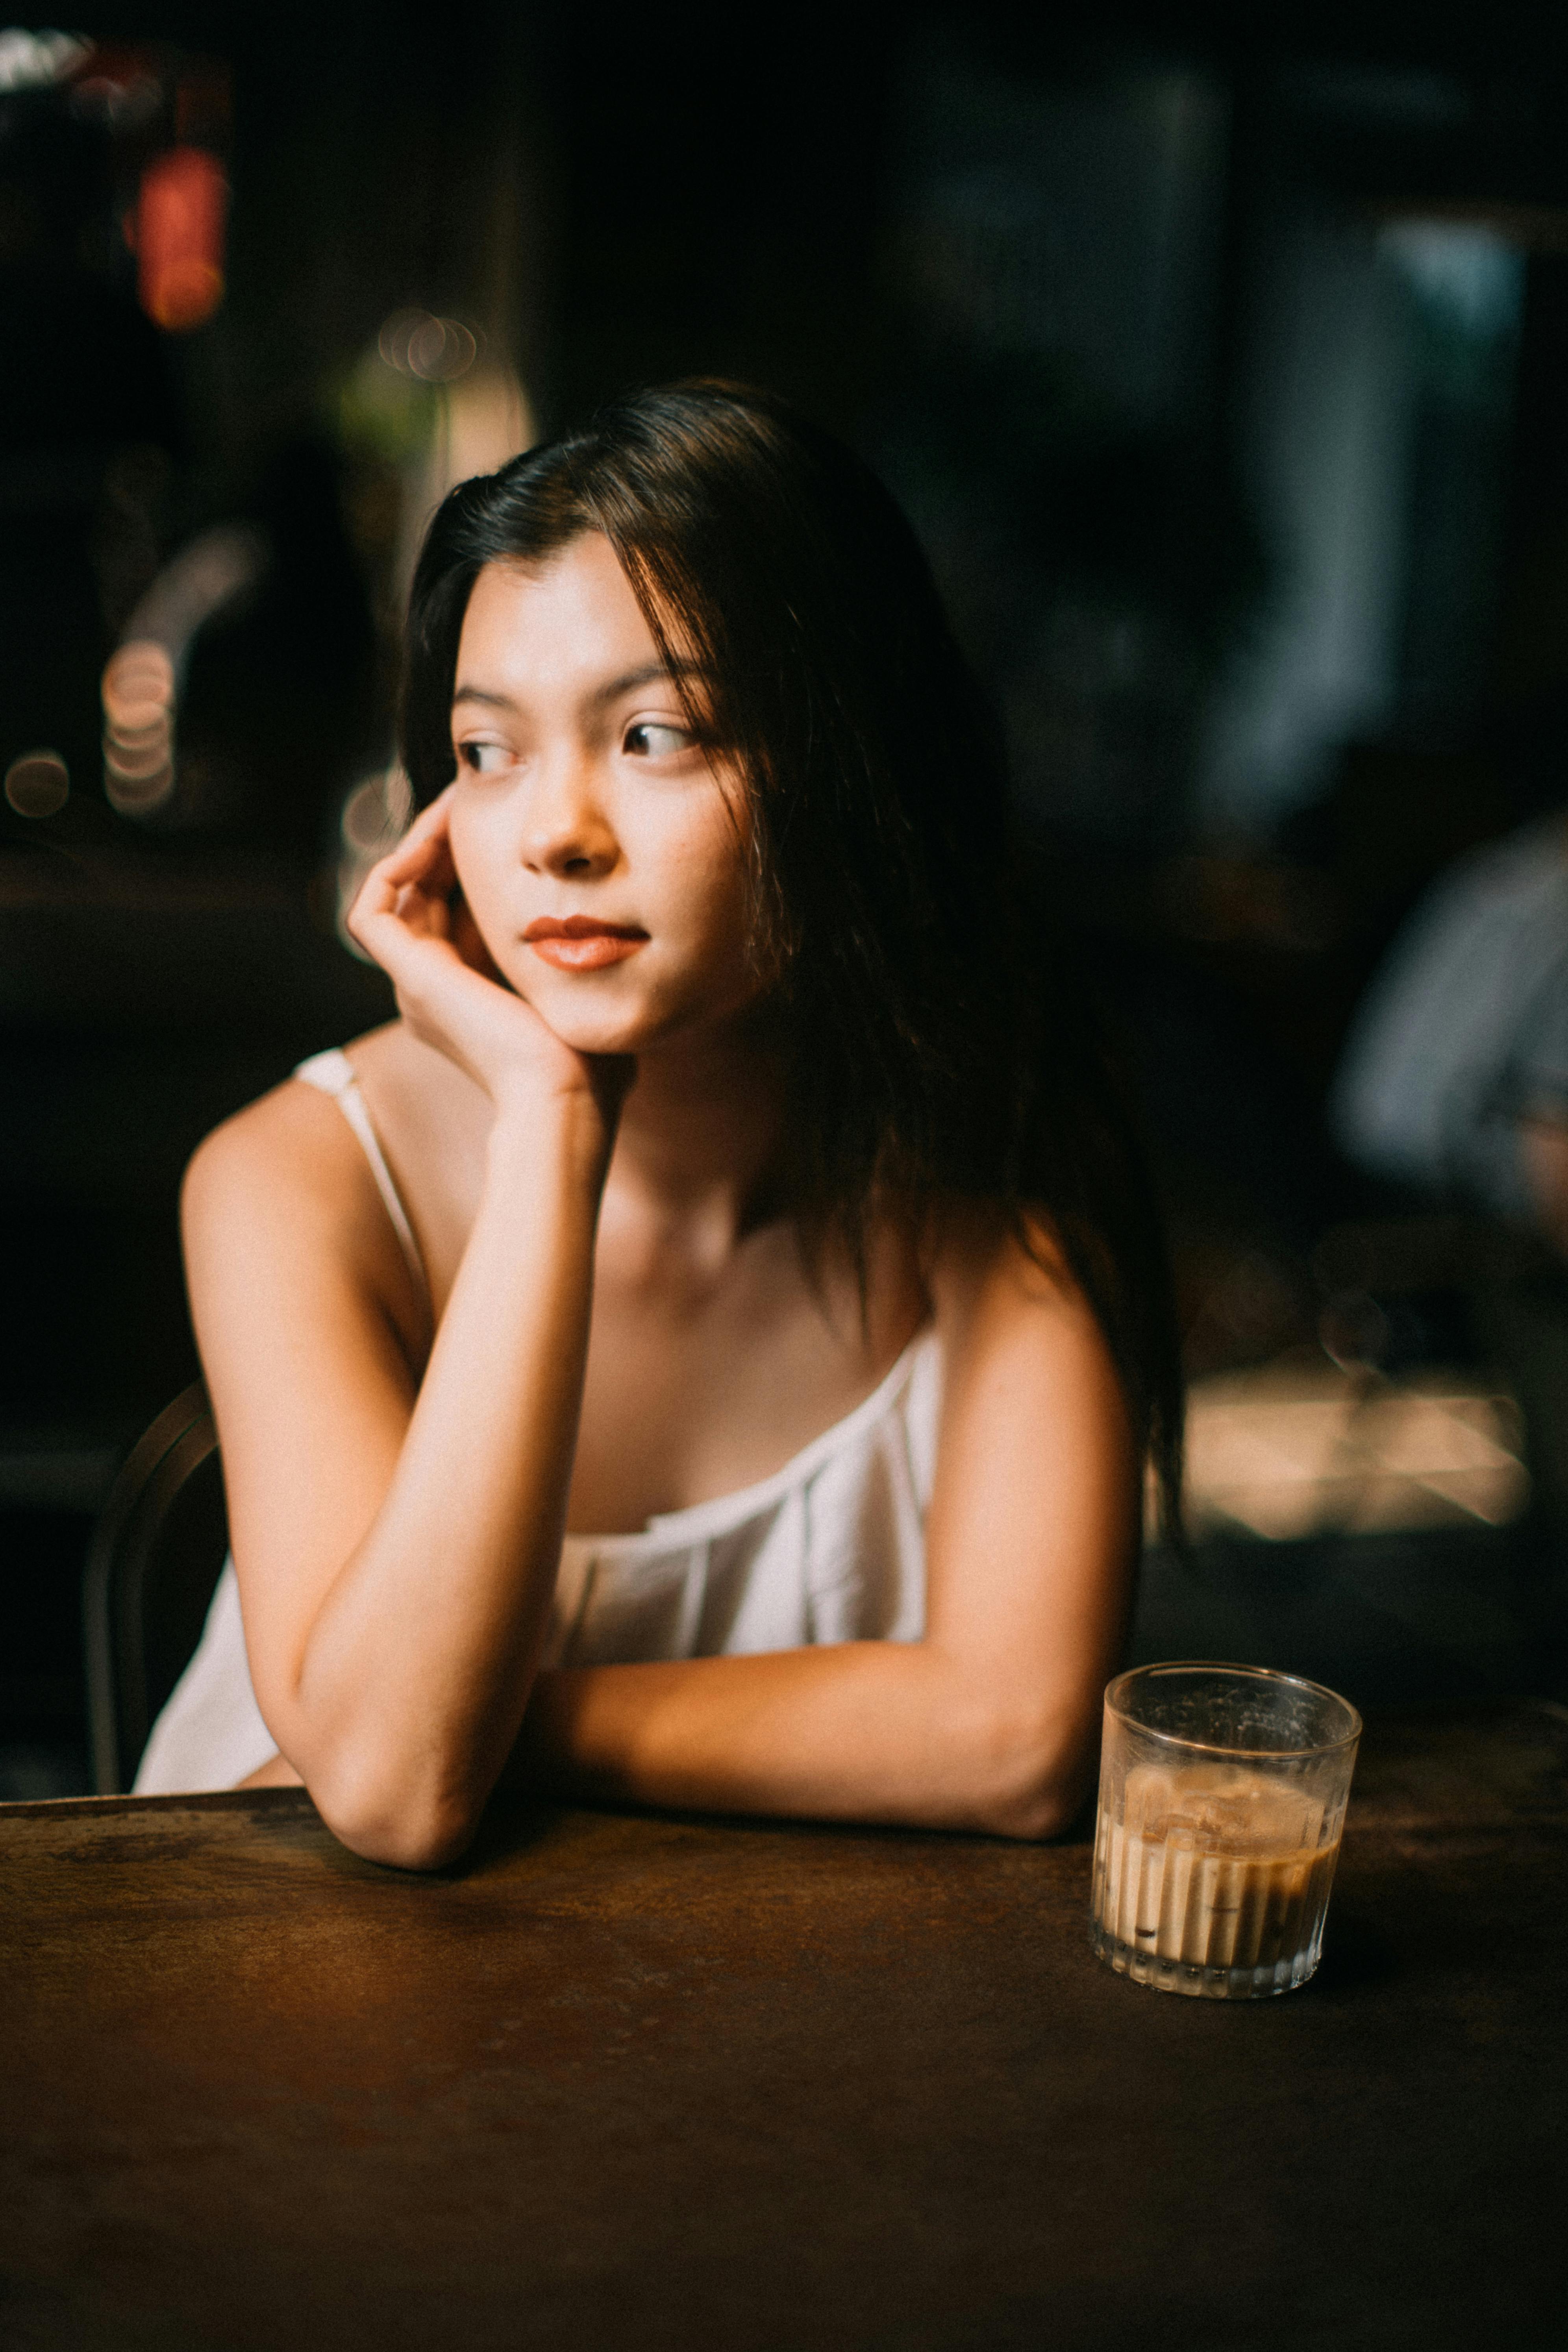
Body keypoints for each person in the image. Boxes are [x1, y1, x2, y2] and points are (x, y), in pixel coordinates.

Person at [134, 381, 1181, 1868]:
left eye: (656, 733)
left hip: (788, 2030)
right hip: (291, 2007)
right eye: (487, 751)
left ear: (852, 761)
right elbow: (393, 1790)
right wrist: (551, 1128)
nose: (554, 830)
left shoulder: (985, 1182)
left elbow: (1017, 1744)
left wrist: (497, 1713)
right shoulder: (293, 1180)